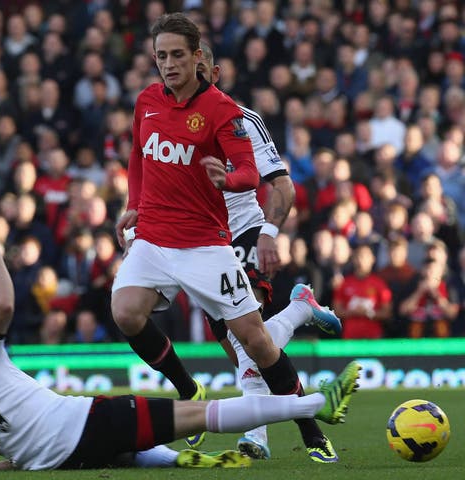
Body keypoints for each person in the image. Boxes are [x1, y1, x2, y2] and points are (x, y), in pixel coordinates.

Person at [0, 210, 361, 471]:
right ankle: (317, 404)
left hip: (57, 459)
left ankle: (177, 461)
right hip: (84, 425)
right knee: (200, 414)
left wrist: (10, 463)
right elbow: (2, 308)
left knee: (128, 448)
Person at [111, 13, 320, 451]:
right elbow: (136, 154)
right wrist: (134, 205)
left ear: (202, 61)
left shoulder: (231, 114)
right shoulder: (148, 101)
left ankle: (296, 427)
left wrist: (256, 214)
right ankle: (193, 391)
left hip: (220, 238)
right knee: (127, 312)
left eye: (179, 56)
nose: (170, 64)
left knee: (253, 340)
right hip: (155, 236)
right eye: (161, 56)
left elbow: (259, 175)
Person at [196, 43, 343, 462]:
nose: (192, 75)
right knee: (243, 346)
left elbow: (283, 184)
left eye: (200, 67)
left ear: (215, 73)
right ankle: (299, 309)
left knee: (248, 340)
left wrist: (270, 232)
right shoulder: (170, 124)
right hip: (200, 245)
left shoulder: (243, 121)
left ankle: (260, 436)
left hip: (244, 231)